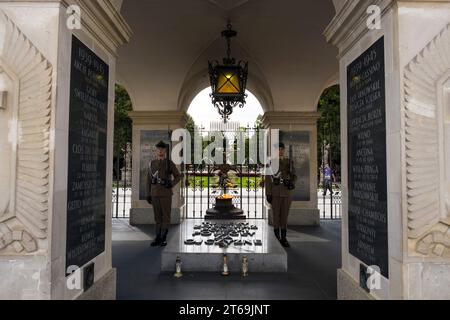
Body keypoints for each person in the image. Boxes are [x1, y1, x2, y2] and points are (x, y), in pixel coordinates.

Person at [147, 141, 181, 247]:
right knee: (157, 217)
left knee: (166, 216)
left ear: (165, 151)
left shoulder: (169, 163)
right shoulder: (152, 163)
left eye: (162, 149)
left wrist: (170, 183)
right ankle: (157, 237)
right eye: (158, 149)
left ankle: (164, 238)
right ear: (156, 151)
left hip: (166, 193)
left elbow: (178, 176)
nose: (160, 151)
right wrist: (148, 193)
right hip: (154, 193)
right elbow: (148, 179)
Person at [265, 143, 297, 248]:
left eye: (282, 149)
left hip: (286, 193)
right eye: (278, 149)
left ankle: (283, 238)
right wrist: (268, 193)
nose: (280, 151)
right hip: (275, 193)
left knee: (284, 216)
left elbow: (294, 175)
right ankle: (276, 238)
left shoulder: (289, 162)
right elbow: (267, 179)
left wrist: (292, 183)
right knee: (276, 216)